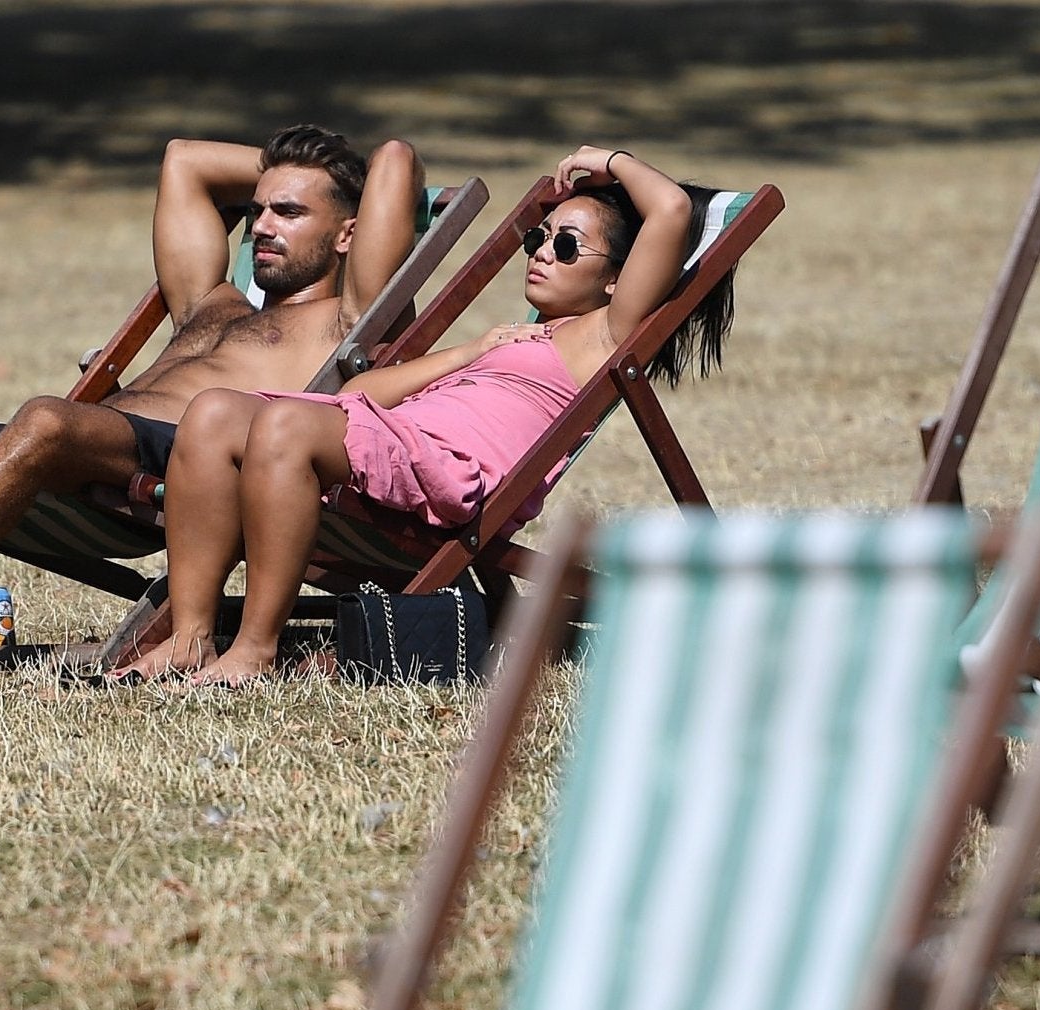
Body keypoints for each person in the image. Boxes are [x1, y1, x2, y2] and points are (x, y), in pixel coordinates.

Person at [0, 124, 425, 675]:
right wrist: (284, 170)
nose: (262, 226)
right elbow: (182, 161)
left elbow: (395, 160)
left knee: (45, 417)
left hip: (176, 468)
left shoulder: (349, 321)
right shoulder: (211, 305)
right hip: (68, 452)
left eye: (289, 212)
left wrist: (332, 172)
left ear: (348, 234)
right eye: (256, 209)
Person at [120, 145, 736, 685]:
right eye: (538, 237)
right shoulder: (512, 340)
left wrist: (608, 162)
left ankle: (255, 649)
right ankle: (188, 637)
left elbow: (672, 212)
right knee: (213, 412)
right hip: (394, 441)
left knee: (281, 425)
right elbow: (368, 392)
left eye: (568, 244)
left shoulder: (607, 336)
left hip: (450, 474)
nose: (543, 252)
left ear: (616, 280)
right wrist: (469, 352)